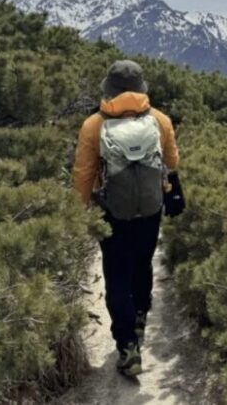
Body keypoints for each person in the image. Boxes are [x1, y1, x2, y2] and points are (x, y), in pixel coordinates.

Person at [72, 60, 182, 377]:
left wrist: (77, 215)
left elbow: (83, 175)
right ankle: (140, 316)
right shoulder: (159, 120)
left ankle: (127, 346)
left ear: (110, 89)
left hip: (113, 212)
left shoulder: (93, 125)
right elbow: (172, 161)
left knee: (116, 274)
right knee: (142, 262)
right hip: (149, 209)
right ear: (140, 89)